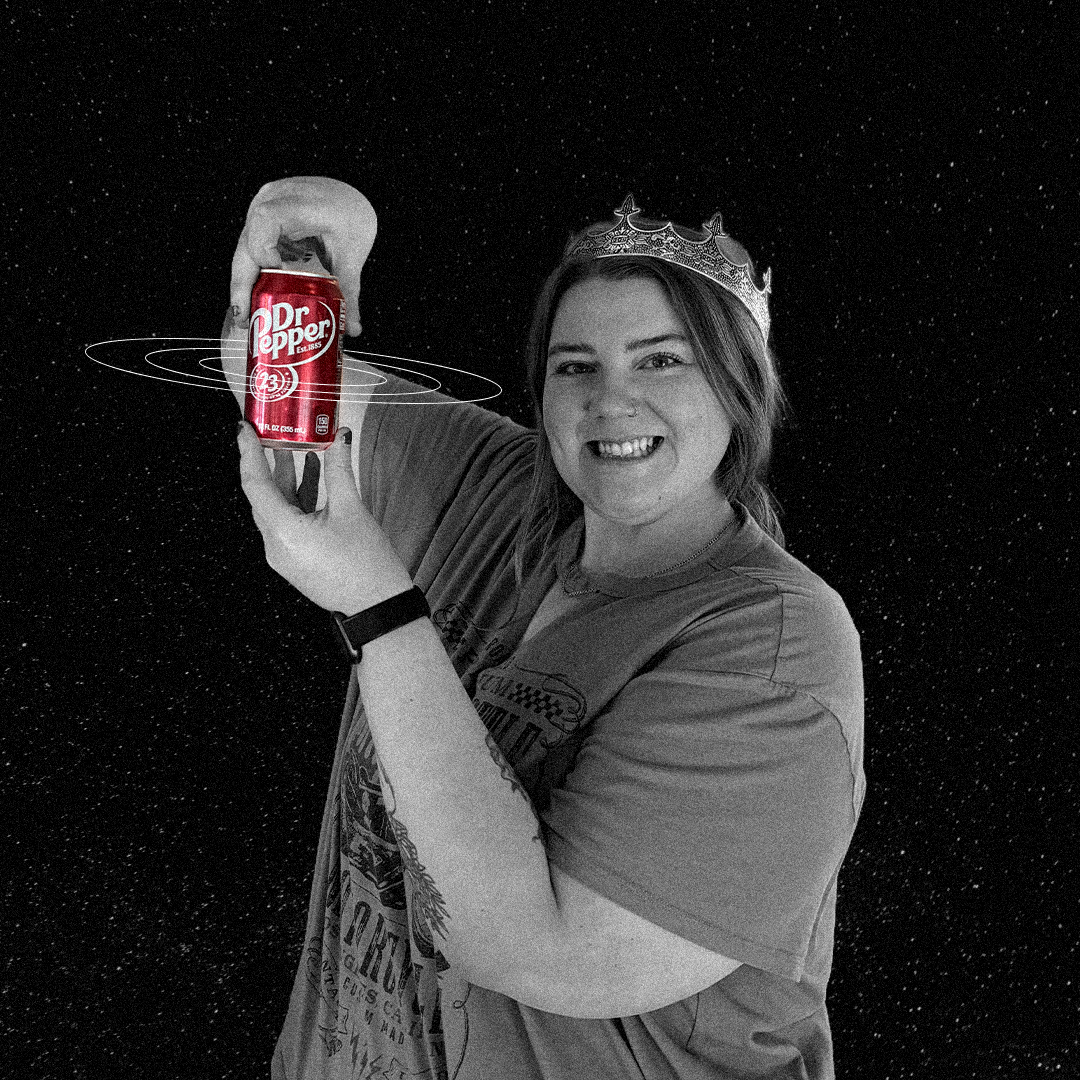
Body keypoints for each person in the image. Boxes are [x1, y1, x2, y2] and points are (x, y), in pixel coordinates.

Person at [222, 177, 865, 1080]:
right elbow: (272, 373)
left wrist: (378, 605)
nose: (611, 399)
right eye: (575, 366)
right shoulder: (498, 493)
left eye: (661, 360)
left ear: (740, 387)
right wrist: (309, 249)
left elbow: (537, 951)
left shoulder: (774, 644)